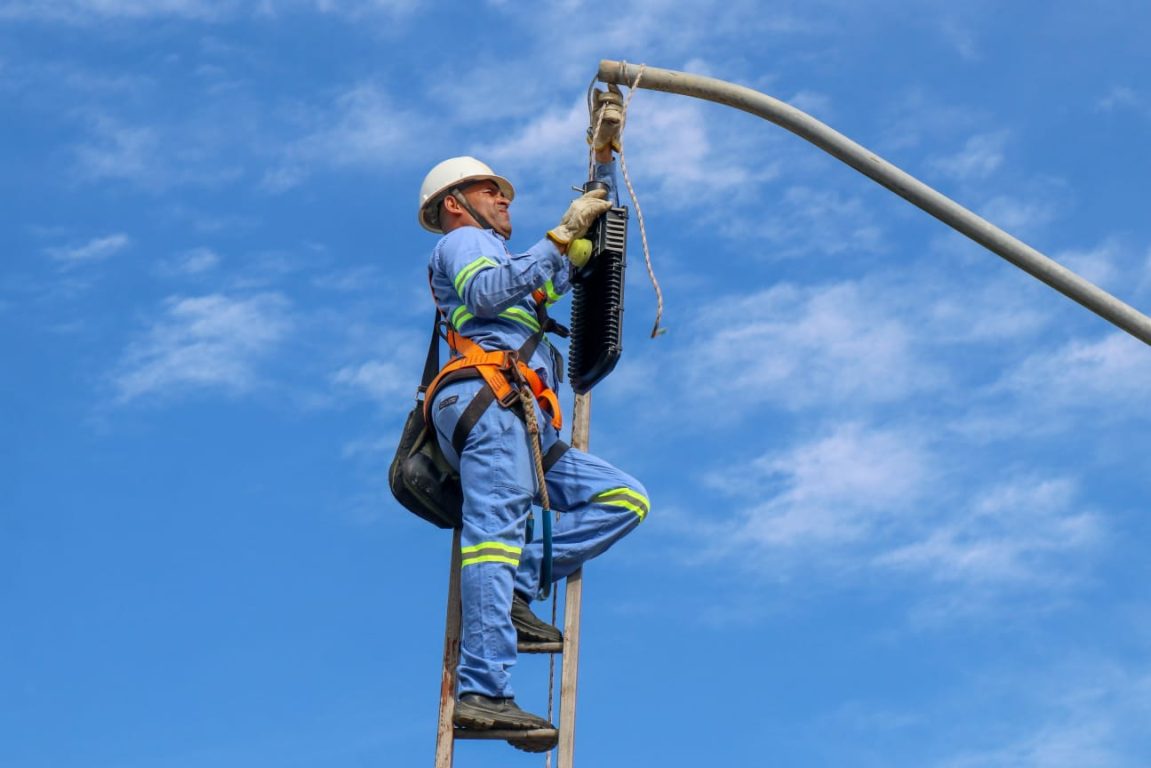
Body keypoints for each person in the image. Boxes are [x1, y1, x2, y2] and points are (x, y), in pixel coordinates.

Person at [416, 86, 649, 751]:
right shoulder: (462, 247)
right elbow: (493, 290)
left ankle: (518, 588)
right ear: (455, 205)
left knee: (623, 499)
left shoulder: (513, 258)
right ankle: (483, 692)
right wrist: (560, 235)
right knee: (491, 535)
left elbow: (574, 247)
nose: (504, 200)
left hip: (527, 421)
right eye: (491, 192)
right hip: (488, 406)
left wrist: (602, 156)